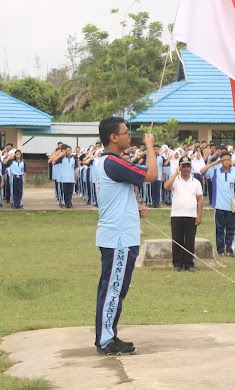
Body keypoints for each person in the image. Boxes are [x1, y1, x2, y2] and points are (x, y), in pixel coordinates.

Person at [94, 116, 157, 356]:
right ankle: (106, 340)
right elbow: (151, 174)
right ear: (113, 137)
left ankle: (108, 335)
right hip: (118, 238)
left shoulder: (109, 163)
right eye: (125, 132)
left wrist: (134, 207)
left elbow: (117, 197)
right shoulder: (113, 162)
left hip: (119, 236)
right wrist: (149, 145)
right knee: (112, 290)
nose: (129, 135)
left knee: (114, 289)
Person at [164, 156, 203, 272]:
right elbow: (166, 186)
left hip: (191, 215)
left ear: (191, 167)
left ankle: (189, 264)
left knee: (190, 240)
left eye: (188, 166)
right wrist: (176, 174)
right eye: (183, 166)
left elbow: (199, 200)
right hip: (176, 214)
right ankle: (177, 264)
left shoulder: (196, 182)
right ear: (180, 167)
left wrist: (199, 215)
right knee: (177, 240)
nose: (186, 169)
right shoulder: (175, 180)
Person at [200, 152, 235, 257]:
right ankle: (220, 250)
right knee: (219, 229)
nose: (226, 162)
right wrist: (215, 163)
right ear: (221, 161)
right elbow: (202, 171)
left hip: (231, 206)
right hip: (219, 206)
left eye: (228, 159)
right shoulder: (215, 172)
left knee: (231, 229)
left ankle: (229, 249)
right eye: (224, 160)